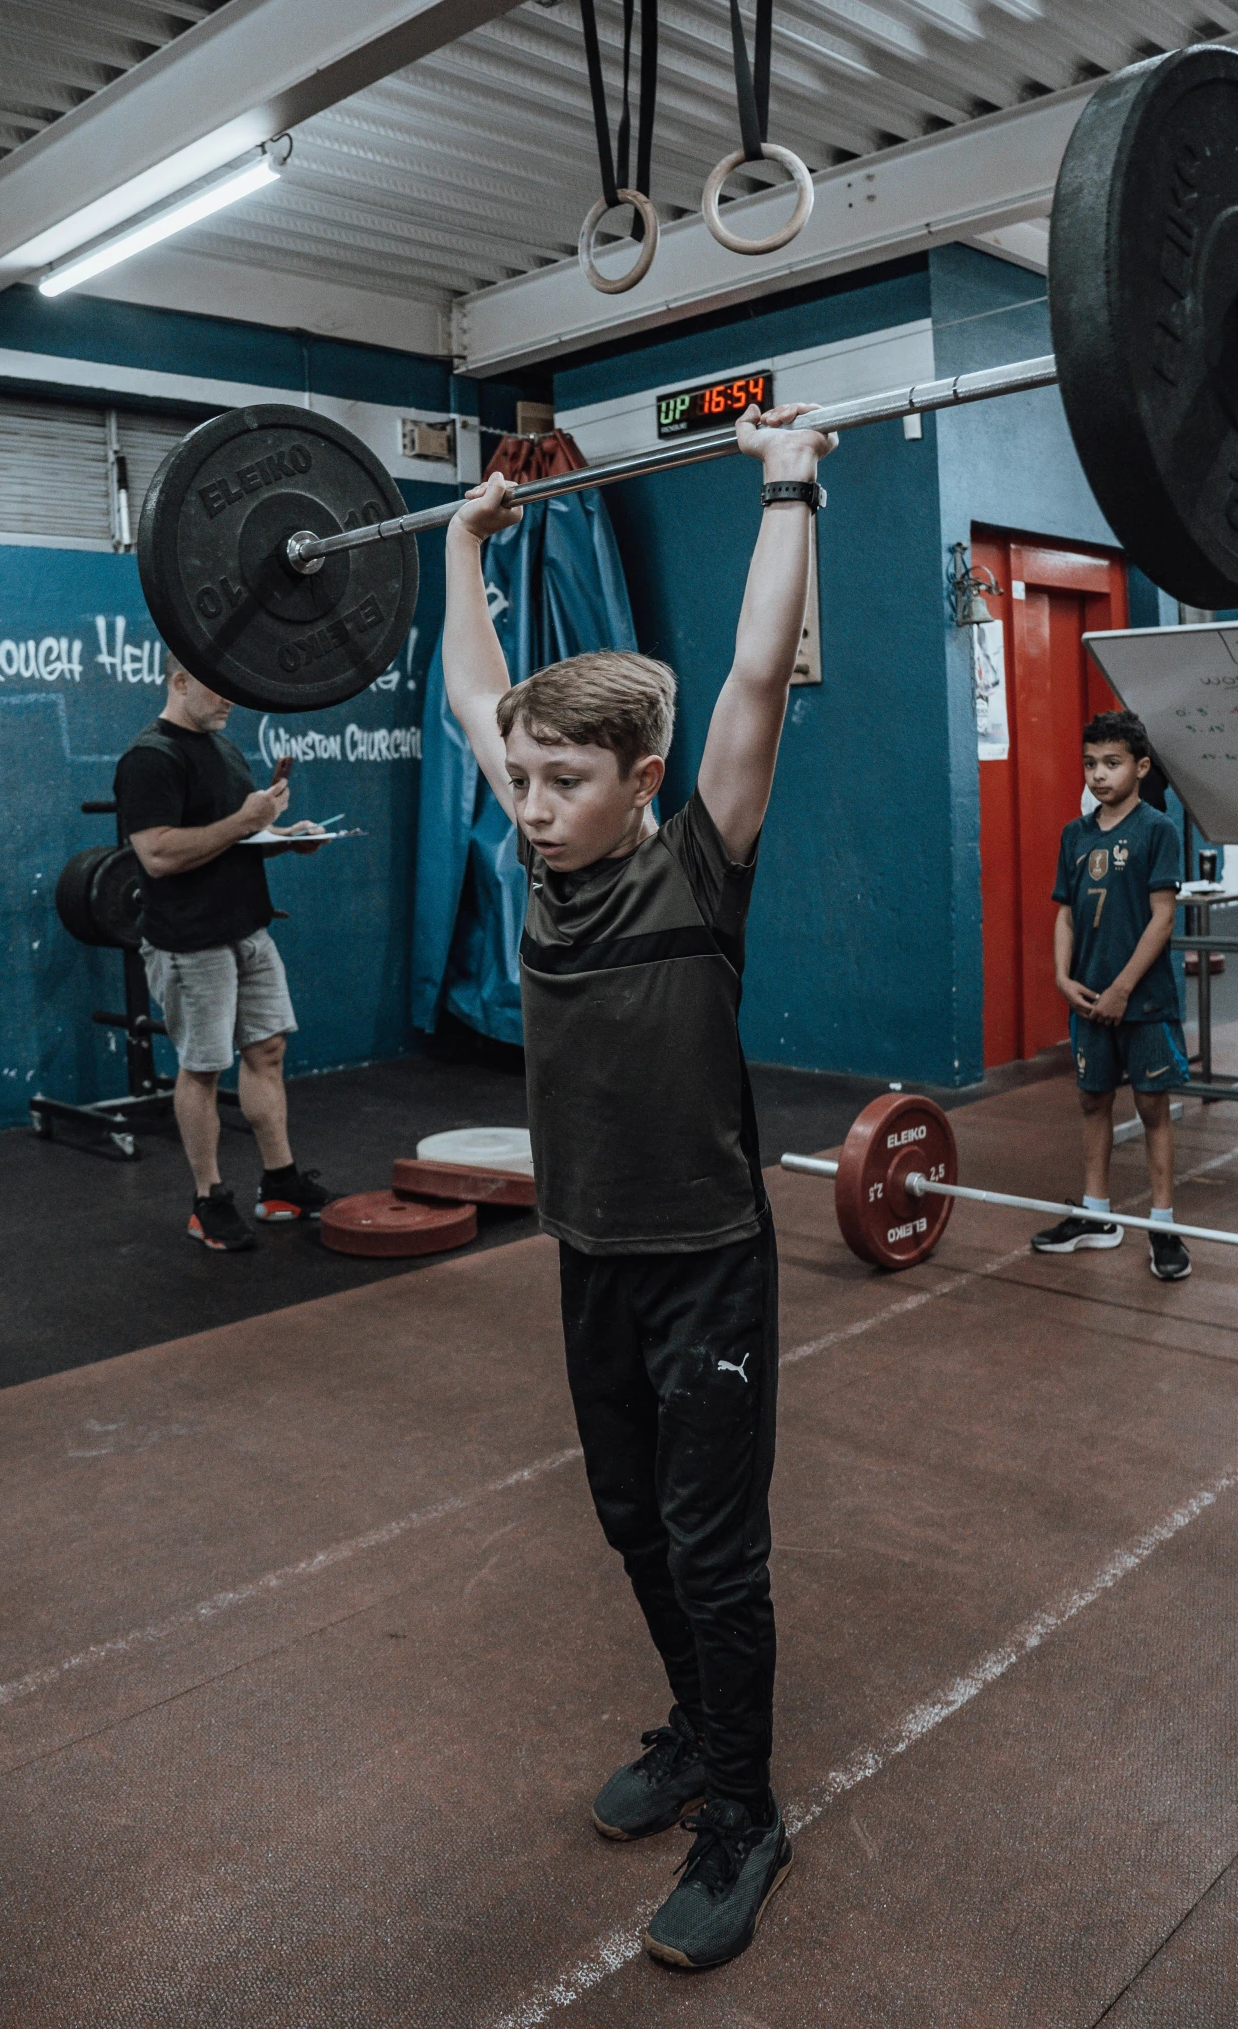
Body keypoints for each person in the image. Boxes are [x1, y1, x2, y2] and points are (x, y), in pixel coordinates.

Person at [442, 402, 830, 1972]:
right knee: (627, 1518)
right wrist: (465, 547)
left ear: (642, 777)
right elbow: (477, 687)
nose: (525, 805)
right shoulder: (543, 862)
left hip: (703, 1258)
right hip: (589, 1250)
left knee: (711, 1539)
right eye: (519, 779)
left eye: (556, 782)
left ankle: (741, 1811)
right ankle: (689, 1728)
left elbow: (750, 676)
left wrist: (786, 485)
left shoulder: (693, 864)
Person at [115, 657, 332, 1252]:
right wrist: (245, 821)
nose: (231, 699)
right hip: (189, 940)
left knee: (267, 1050)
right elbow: (157, 855)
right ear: (179, 681)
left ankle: (281, 1182)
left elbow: (238, 842)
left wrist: (286, 839)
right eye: (218, 687)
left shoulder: (225, 750)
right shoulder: (149, 757)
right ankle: (207, 1201)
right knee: (204, 1067)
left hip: (247, 928)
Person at [1036, 707, 1190, 1281]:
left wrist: (1123, 988)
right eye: (1090, 764)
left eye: (1112, 763)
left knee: (1153, 1109)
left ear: (1140, 766)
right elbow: (1067, 916)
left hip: (1142, 1001)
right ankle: (1097, 1216)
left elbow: (1162, 918)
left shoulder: (1158, 830)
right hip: (1088, 999)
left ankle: (1165, 1226)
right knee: (1092, 1102)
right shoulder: (1073, 835)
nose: (1099, 775)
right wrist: (1060, 977)